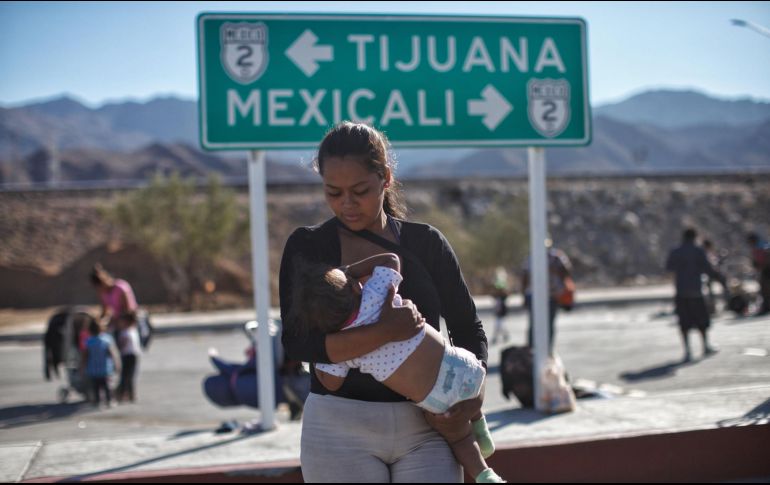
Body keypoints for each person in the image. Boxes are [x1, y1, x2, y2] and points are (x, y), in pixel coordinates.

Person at [279, 122, 489, 483]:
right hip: (337, 431)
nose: (347, 204)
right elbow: (298, 343)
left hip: (426, 427)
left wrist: (472, 396)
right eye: (333, 192)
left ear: (386, 178)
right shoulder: (308, 248)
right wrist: (386, 331)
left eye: (360, 190)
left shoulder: (427, 243)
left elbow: (468, 328)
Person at [292, 253, 501, 483]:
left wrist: (321, 348)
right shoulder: (377, 293)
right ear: (355, 288)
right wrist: (350, 271)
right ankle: (480, 426)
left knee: (459, 439)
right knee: (465, 406)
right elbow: (391, 260)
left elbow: (330, 382)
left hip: (436, 398)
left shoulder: (347, 347)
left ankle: (484, 474)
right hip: (463, 366)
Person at [666, 228, 721, 362]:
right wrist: (718, 277)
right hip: (696, 291)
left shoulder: (675, 251)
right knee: (702, 320)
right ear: (694, 237)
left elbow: (669, 268)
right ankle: (705, 346)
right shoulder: (698, 250)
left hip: (681, 292)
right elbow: (708, 268)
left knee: (684, 322)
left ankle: (687, 351)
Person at [520, 240, 573, 353]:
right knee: (534, 323)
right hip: (533, 295)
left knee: (549, 323)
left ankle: (547, 350)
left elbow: (567, 271)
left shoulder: (556, 257)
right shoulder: (531, 257)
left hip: (552, 295)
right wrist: (524, 296)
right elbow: (524, 277)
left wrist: (554, 269)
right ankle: (531, 350)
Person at [80, 318, 121, 407]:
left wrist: (82, 367)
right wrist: (117, 364)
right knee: (107, 386)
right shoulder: (106, 339)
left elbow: (85, 356)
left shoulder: (88, 341)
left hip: (93, 369)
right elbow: (113, 354)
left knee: (96, 386)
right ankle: (109, 400)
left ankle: (97, 401)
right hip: (105, 368)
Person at [89, 264, 138, 333]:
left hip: (128, 323)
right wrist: (100, 322)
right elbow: (105, 311)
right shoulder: (103, 293)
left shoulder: (121, 288)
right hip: (117, 323)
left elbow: (128, 311)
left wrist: (117, 322)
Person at [115, 311, 142, 403]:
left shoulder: (125, 332)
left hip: (128, 355)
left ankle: (125, 394)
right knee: (128, 375)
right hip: (132, 354)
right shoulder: (132, 330)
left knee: (127, 375)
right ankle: (128, 394)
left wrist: (118, 348)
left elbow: (122, 344)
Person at [746, 232, 770, 316]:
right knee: (764, 289)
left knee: (765, 289)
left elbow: (765, 258)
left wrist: (761, 265)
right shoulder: (759, 246)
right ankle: (766, 306)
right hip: (764, 269)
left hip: (766, 269)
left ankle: (766, 307)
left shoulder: (761, 246)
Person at [490, 267, 510, 345]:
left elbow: (505, 294)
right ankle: (504, 336)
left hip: (501, 313)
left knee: (499, 326)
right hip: (498, 313)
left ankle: (498, 337)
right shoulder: (498, 297)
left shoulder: (503, 297)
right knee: (499, 326)